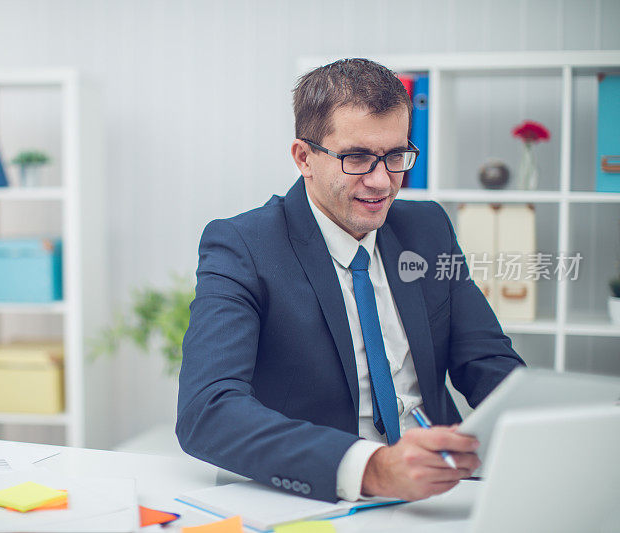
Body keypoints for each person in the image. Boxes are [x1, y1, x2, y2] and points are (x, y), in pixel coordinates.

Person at [176, 58, 525, 504]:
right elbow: (207, 412)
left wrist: (545, 433)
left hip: (438, 487)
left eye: (396, 155)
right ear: (304, 157)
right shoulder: (243, 245)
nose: (382, 181)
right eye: (357, 157)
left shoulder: (429, 228)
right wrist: (372, 468)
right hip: (318, 494)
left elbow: (487, 361)